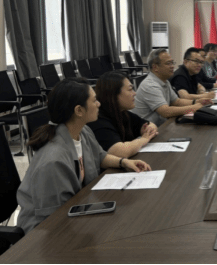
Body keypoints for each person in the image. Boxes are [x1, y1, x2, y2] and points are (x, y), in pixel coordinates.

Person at [17, 78, 151, 235]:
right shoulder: (54, 160)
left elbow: (99, 156)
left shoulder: (83, 131)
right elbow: (54, 219)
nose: (99, 104)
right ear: (79, 110)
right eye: (94, 100)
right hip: (44, 232)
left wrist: (124, 162)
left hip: (75, 212)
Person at [131, 49, 210, 126]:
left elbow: (176, 101)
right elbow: (165, 112)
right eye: (168, 63)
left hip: (161, 126)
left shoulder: (165, 81)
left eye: (172, 63)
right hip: (147, 130)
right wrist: (193, 108)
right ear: (155, 67)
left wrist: (197, 101)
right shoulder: (150, 85)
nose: (172, 66)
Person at [89, 71, 159, 157]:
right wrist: (144, 139)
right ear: (114, 94)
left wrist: (148, 131)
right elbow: (120, 151)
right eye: (130, 89)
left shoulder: (122, 113)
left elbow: (151, 125)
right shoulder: (98, 119)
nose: (134, 93)